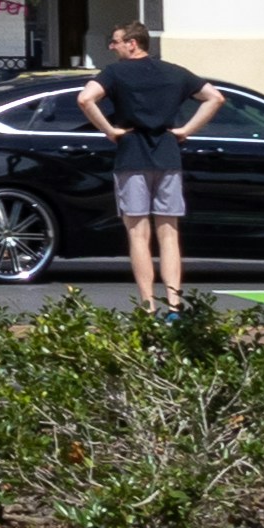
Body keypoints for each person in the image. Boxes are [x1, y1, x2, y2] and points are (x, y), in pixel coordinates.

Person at [76, 20, 207, 313]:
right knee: (169, 233)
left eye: (116, 41)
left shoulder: (115, 73)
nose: (113, 46)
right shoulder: (175, 72)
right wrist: (187, 129)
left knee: (138, 233)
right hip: (168, 156)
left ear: (132, 43)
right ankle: (174, 304)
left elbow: (85, 99)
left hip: (131, 156)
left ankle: (148, 305)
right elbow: (215, 97)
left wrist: (109, 130)